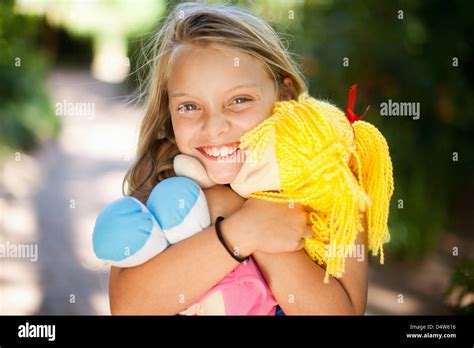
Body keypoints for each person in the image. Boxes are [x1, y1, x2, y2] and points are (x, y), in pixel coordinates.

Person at [109, 2, 368, 315]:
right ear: (168, 111)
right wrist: (244, 228)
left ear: (283, 95)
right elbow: (128, 307)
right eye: (189, 106)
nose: (214, 127)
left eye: (239, 100)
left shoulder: (332, 183)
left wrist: (239, 211)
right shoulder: (165, 183)